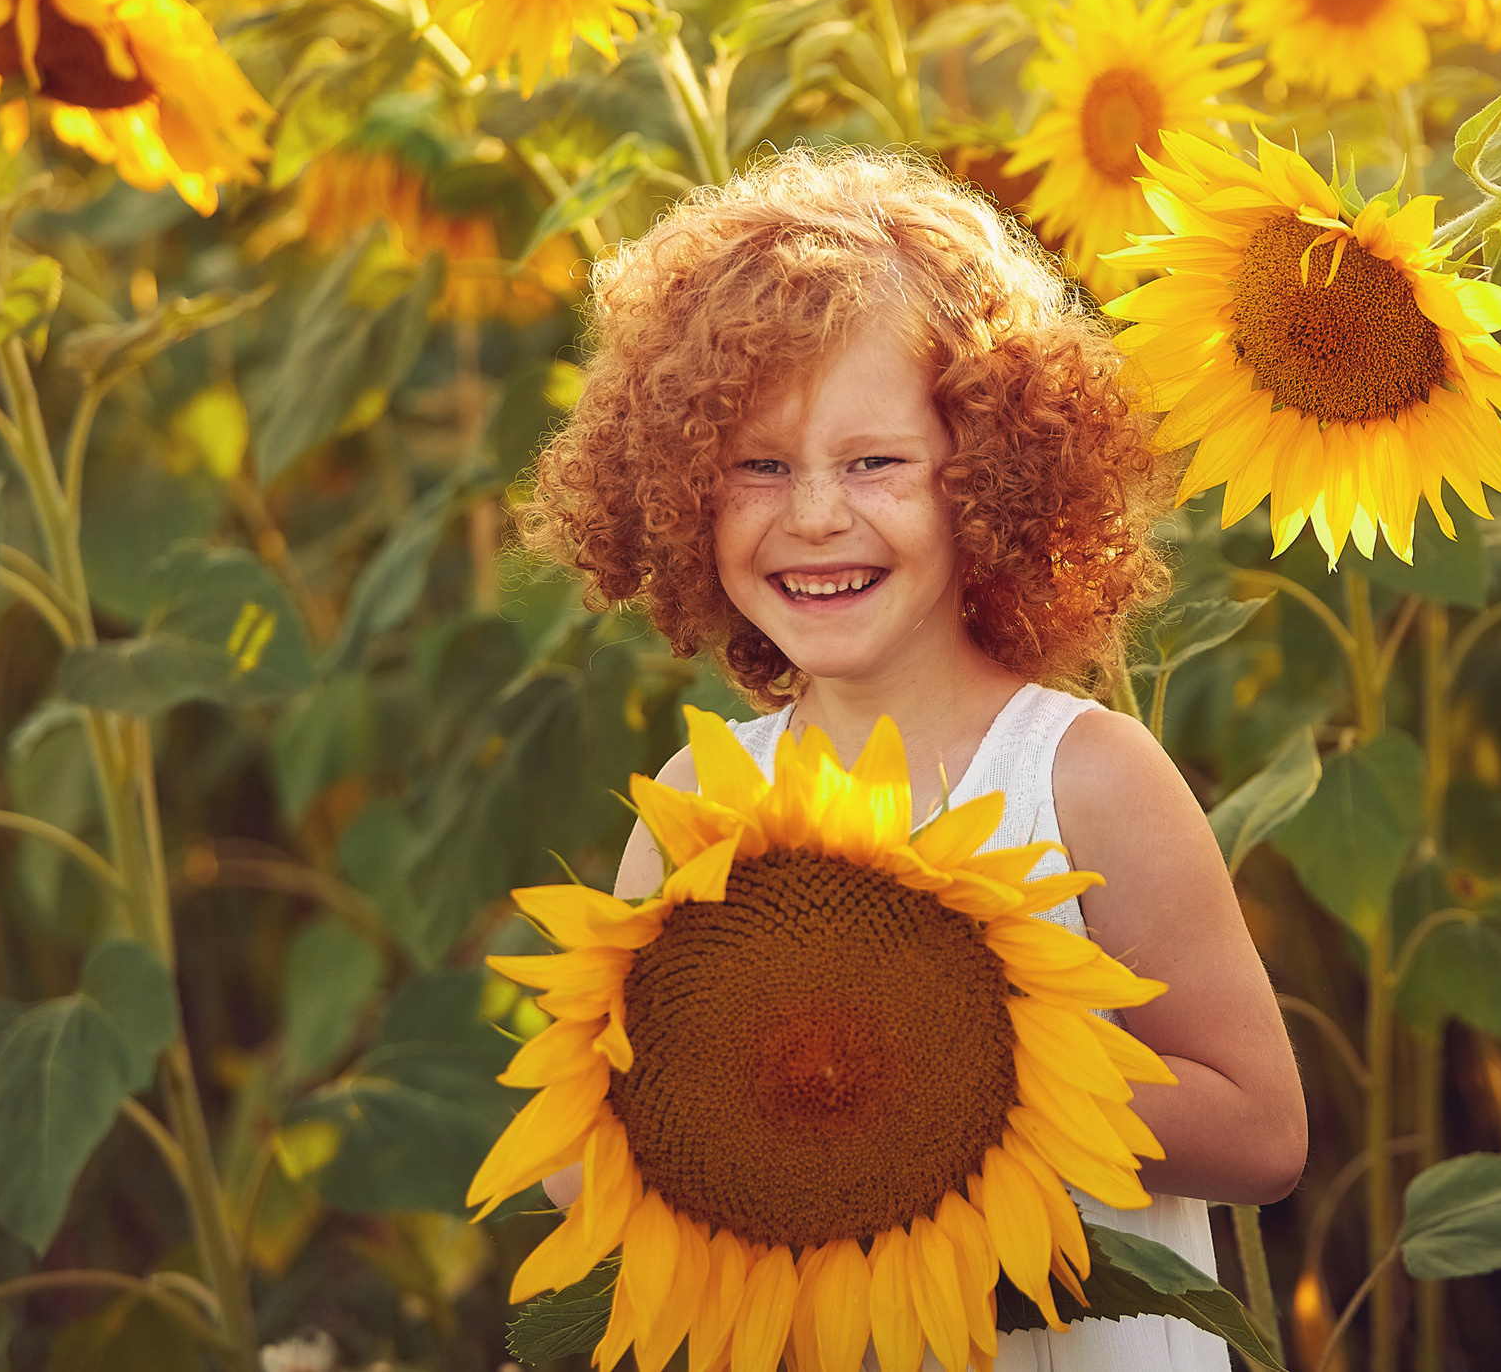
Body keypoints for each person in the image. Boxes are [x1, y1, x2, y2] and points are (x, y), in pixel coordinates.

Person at [516, 146, 1307, 1370]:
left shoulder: (1083, 778)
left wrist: (965, 1067)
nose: (815, 515)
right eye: (757, 466)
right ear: (677, 493)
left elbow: (1262, 1134)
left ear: (987, 477)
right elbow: (588, 1171)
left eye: (873, 462)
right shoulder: (698, 804)